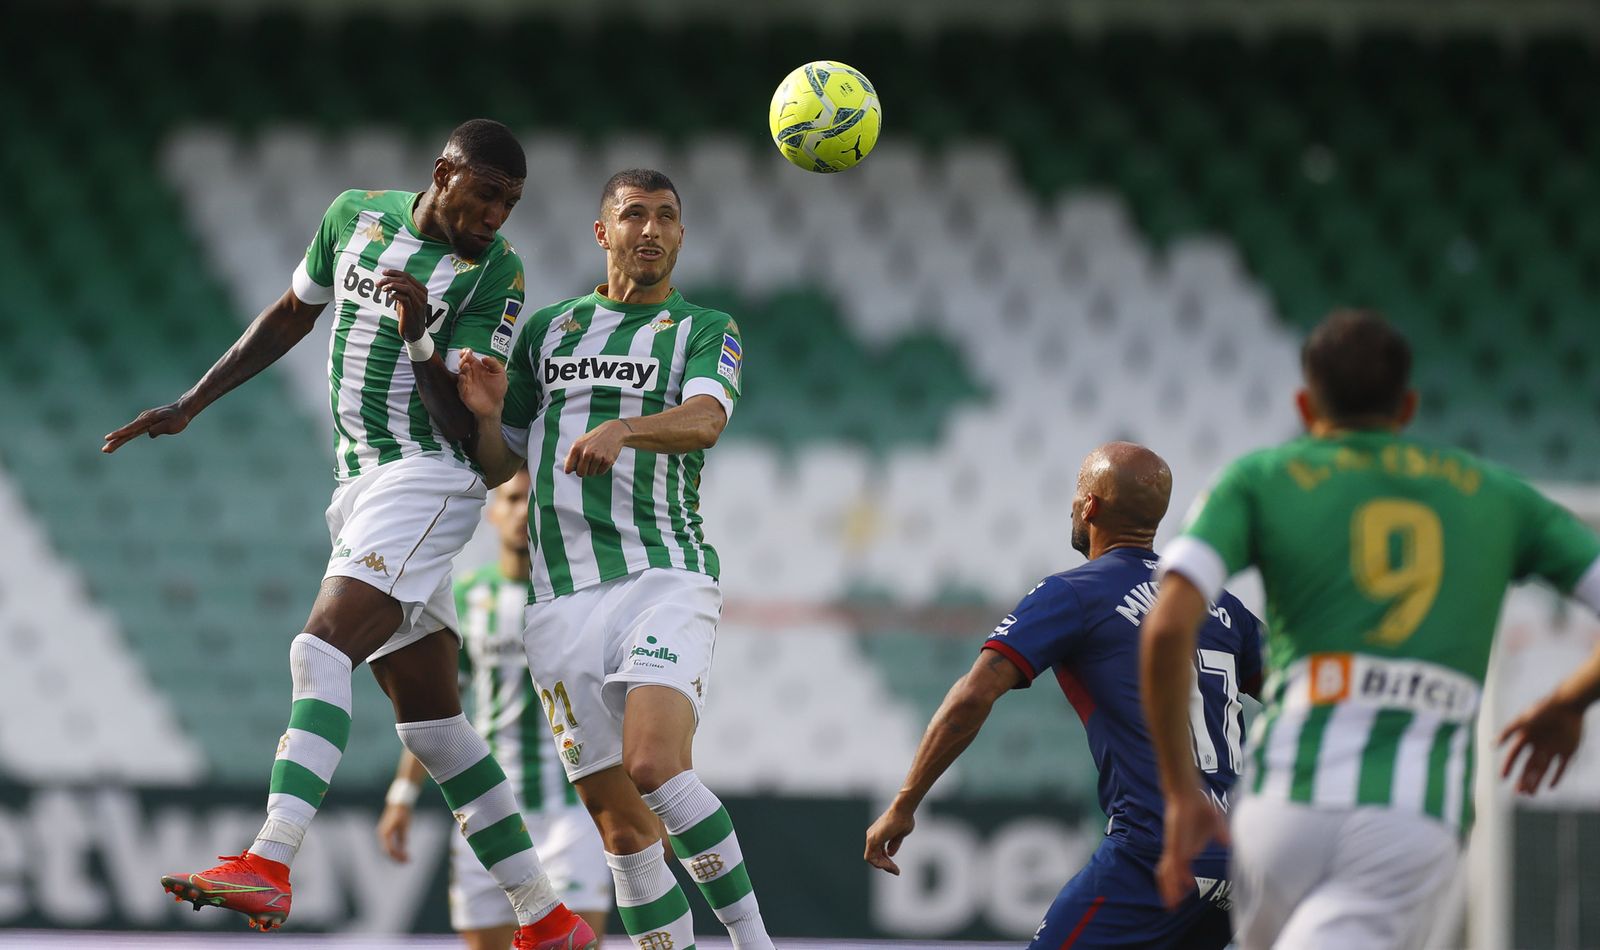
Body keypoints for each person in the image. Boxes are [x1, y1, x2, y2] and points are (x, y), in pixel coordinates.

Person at [103, 119, 595, 949]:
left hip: (426, 480)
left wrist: (420, 338)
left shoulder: (495, 275)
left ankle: (270, 861)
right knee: (435, 727)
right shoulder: (353, 216)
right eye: (486, 194)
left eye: (510, 203)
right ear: (444, 172)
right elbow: (295, 311)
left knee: (319, 649)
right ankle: (545, 916)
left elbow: (463, 430)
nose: (496, 215)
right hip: (359, 483)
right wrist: (193, 401)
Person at [1141, 310, 1600, 950]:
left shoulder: (1260, 479)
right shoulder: (1496, 495)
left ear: (1306, 404)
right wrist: (1569, 700)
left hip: (1278, 808)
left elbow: (1165, 631)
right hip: (1408, 815)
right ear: (1408, 405)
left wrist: (1178, 791)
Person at [454, 168, 775, 950]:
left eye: (668, 216)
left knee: (655, 767)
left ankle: (755, 944)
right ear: (604, 233)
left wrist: (625, 430)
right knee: (625, 837)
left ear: (681, 235)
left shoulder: (703, 327)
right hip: (559, 601)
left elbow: (704, 419)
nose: (653, 230)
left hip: (661, 574)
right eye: (635, 215)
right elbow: (503, 470)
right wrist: (492, 418)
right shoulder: (552, 331)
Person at [864, 442, 1261, 949]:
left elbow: (971, 698)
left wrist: (904, 804)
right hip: (1237, 861)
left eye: (1078, 491)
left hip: (1153, 852)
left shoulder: (1074, 593)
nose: (1072, 504)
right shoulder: (1220, 604)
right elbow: (1299, 691)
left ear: (1091, 506)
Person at [377, 468, 612, 948]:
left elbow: (617, 709)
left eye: (536, 500)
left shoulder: (582, 599)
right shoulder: (464, 599)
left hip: (572, 813)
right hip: (486, 808)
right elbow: (438, 711)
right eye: (513, 498)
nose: (525, 511)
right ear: (493, 512)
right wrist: (402, 794)